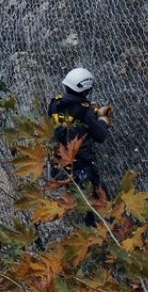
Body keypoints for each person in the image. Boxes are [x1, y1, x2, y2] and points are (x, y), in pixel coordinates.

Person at [46, 67, 112, 226]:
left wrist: (90, 113)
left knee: (80, 203)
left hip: (59, 165)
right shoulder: (84, 110)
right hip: (81, 166)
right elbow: (100, 136)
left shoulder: (55, 104)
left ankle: (88, 233)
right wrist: (102, 119)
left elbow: (70, 121)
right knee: (103, 201)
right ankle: (102, 234)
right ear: (86, 90)